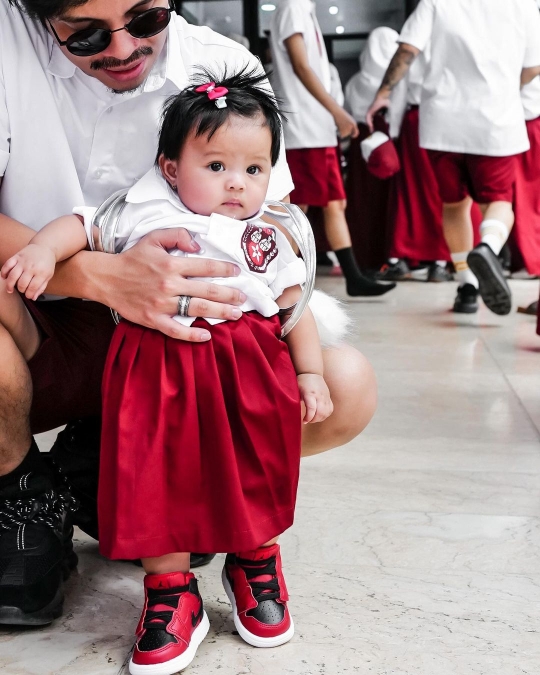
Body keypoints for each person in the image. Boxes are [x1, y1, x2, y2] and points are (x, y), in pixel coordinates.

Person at [0, 0, 377, 628]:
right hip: (39, 323)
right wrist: (96, 275)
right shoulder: (9, 52)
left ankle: (114, 475)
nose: (121, 48)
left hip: (188, 361)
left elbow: (278, 252)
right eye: (87, 34)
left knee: (345, 385)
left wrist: (303, 364)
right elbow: (85, 226)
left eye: (145, 20)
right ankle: (21, 494)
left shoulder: (225, 71)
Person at [368, 0, 540, 315]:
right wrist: (502, 86)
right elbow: (533, 66)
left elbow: (407, 50)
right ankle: (487, 248)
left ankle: (467, 286)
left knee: (454, 205)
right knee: (498, 203)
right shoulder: (523, 4)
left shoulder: (436, 2)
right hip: (495, 120)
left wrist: (382, 94)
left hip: (442, 122)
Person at [269, 0, 395, 297]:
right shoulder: (292, 8)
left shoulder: (301, 9)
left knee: (331, 203)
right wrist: (336, 111)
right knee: (298, 208)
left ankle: (351, 276)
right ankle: (273, 276)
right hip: (306, 128)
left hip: (315, 128)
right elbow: (300, 65)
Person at [343, 27, 399, 272]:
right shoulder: (395, 83)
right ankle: (392, 256)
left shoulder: (356, 82)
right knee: (391, 202)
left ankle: (363, 258)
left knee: (363, 202)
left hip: (360, 147)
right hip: (390, 145)